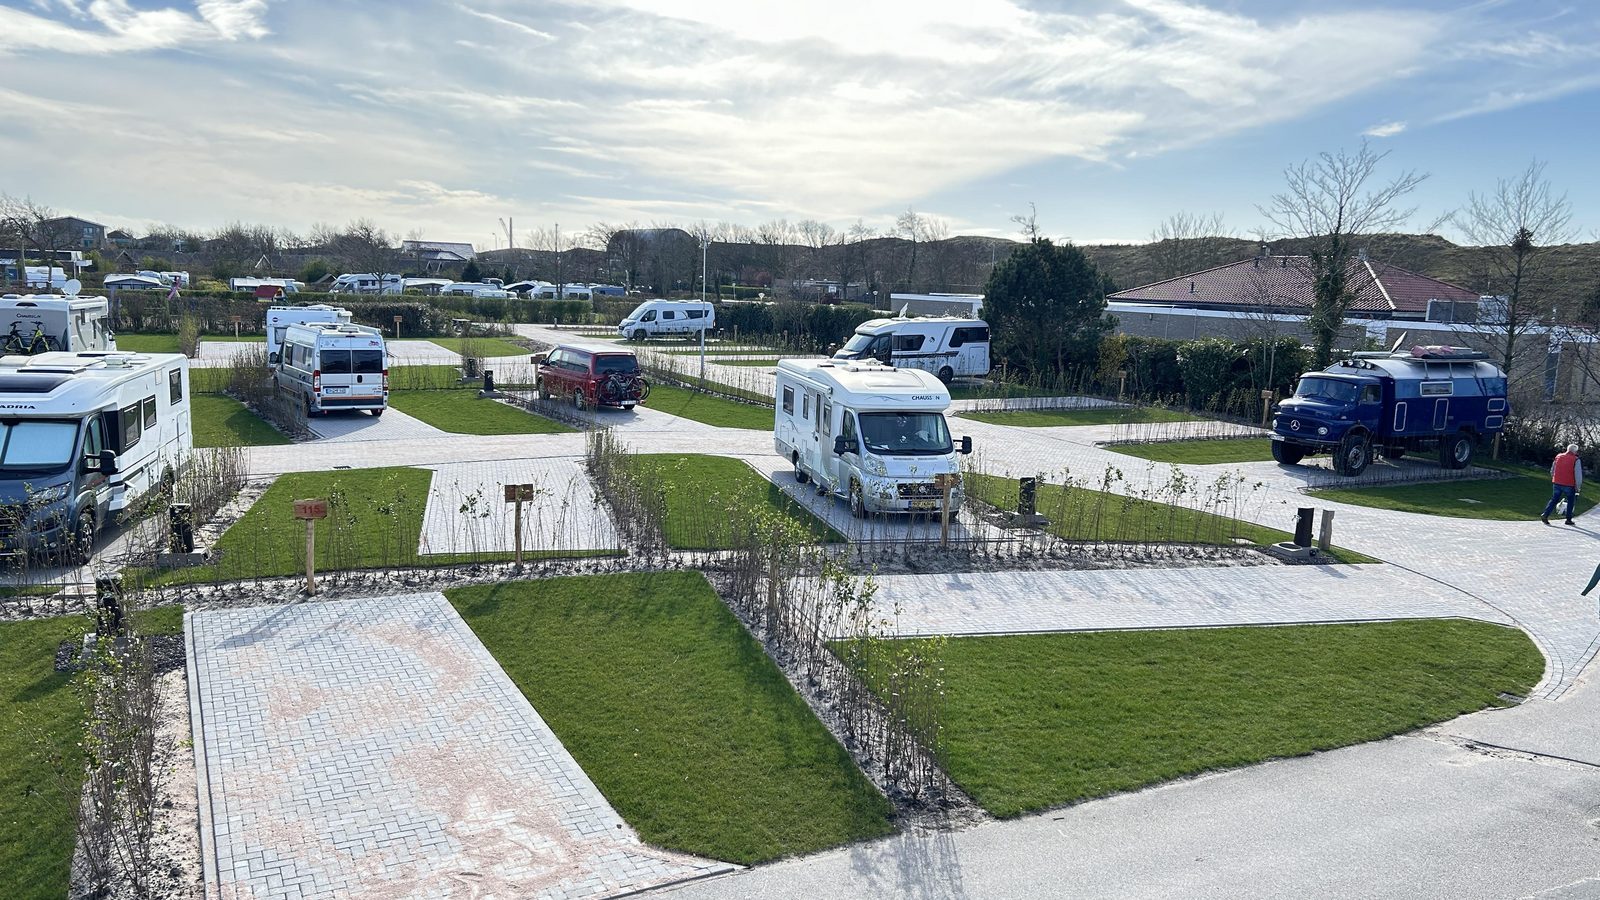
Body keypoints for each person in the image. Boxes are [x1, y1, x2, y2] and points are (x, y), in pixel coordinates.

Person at [1542, 443, 1583, 526]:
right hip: (1569, 484)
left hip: (1557, 482)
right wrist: (1578, 487)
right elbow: (1578, 475)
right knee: (1571, 501)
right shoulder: (1576, 459)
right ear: (1575, 451)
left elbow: (1552, 470)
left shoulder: (1558, 456)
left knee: (1554, 499)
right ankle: (1568, 519)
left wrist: (1554, 478)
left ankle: (1545, 515)